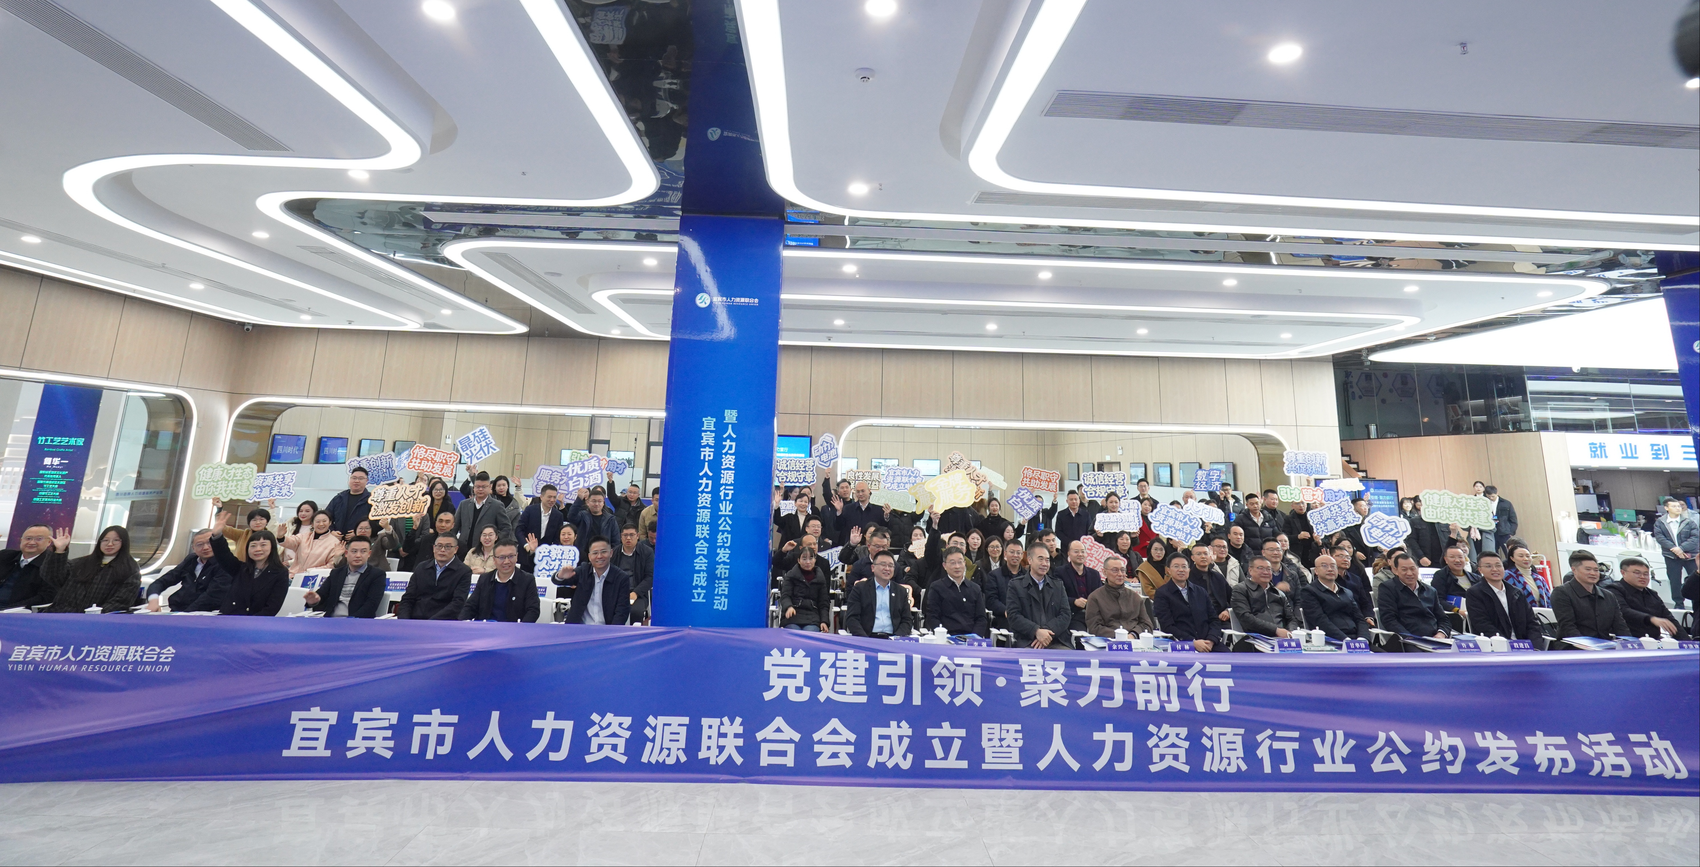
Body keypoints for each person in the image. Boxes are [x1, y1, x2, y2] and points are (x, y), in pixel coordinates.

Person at [37, 526, 140, 614]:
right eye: (105, 540)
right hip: (63, 614)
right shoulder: (80, 563)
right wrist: (59, 551)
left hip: (96, 620)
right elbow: (52, 577)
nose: (110, 544)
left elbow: (122, 601)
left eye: (116, 540)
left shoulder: (130, 569)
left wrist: (94, 614)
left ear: (124, 543)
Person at [207, 513, 290, 616]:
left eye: (263, 545)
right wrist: (217, 535)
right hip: (228, 618)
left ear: (272, 547)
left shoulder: (280, 572)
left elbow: (272, 608)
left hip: (256, 622)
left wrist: (248, 622)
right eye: (253, 546)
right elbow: (223, 555)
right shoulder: (240, 568)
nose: (258, 549)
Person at [1006, 540, 1073, 649]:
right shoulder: (1016, 585)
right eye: (1040, 559)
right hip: (1028, 641)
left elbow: (1065, 615)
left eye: (1047, 560)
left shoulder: (1058, 585)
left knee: (1068, 656)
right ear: (1030, 560)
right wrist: (1036, 631)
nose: (1044, 564)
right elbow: (1013, 615)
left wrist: (1046, 633)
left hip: (1056, 640)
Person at [1464, 551, 1542, 643]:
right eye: (1488, 566)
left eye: (1498, 565)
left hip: (1523, 644)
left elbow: (1532, 623)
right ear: (1480, 570)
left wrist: (1535, 646)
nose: (1495, 569)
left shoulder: (1517, 592)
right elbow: (1482, 624)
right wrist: (1506, 644)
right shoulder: (1474, 593)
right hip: (1496, 645)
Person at [1551, 551, 1630, 640]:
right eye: (1588, 569)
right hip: (1573, 645)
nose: (1593, 573)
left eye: (1596, 570)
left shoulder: (1609, 596)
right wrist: (1588, 646)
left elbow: (1620, 627)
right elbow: (1568, 627)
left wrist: (1629, 644)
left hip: (1604, 644)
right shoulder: (1562, 593)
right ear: (1574, 570)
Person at [144, 529, 230, 612]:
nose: (205, 547)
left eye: (210, 543)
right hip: (177, 610)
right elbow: (162, 581)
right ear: (193, 548)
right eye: (200, 544)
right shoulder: (191, 560)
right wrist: (153, 601)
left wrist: (184, 614)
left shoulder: (225, 564)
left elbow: (212, 597)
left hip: (205, 613)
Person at [1606, 556, 1690, 639]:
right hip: (1626, 640)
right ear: (1623, 572)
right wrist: (1650, 619)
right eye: (1637, 573)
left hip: (1653, 640)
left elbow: (1669, 618)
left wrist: (1688, 642)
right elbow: (1623, 610)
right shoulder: (1613, 590)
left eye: (1646, 574)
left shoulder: (1652, 594)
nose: (1642, 577)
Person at [303, 535, 386, 618]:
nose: (358, 555)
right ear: (346, 553)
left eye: (363, 551)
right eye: (354, 551)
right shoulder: (336, 573)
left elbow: (371, 605)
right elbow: (321, 594)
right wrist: (313, 601)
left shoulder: (377, 575)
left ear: (369, 554)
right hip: (331, 620)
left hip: (358, 621)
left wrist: (350, 620)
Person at [1154, 552, 1222, 652]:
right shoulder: (1162, 594)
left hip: (1209, 643)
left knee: (1230, 658)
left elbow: (1214, 620)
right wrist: (1192, 642)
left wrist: (1211, 640)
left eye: (1184, 566)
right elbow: (1167, 626)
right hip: (1182, 643)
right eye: (1176, 566)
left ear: (1189, 570)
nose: (1181, 570)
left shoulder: (1200, 591)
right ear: (1168, 570)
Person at [397, 532, 473, 620]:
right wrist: (404, 620)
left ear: (456, 549)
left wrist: (431, 622)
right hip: (416, 619)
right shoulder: (422, 567)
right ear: (434, 548)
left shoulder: (464, 571)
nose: (442, 550)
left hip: (443, 621)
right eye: (439, 546)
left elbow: (457, 603)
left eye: (448, 547)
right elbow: (408, 598)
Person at [460, 541, 539, 623]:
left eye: (511, 556)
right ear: (494, 560)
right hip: (485, 627)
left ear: (517, 557)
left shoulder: (527, 580)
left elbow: (533, 610)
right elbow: (470, 606)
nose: (507, 561)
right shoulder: (485, 579)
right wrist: (462, 624)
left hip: (514, 628)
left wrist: (521, 627)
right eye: (502, 557)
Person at [1376, 553, 1450, 639]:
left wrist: (1441, 634)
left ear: (1418, 569)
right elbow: (1389, 620)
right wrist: (1409, 638)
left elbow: (1443, 618)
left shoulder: (1430, 591)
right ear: (1395, 571)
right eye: (1404, 569)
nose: (1409, 573)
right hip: (1406, 639)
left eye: (1412, 568)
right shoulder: (1388, 588)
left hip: (1434, 638)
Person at [1300, 552, 1369, 641]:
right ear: (1316, 571)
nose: (1330, 569)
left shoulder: (1347, 592)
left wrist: (1363, 638)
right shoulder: (1309, 591)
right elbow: (1320, 621)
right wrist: (1346, 640)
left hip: (1356, 638)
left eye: (1333, 566)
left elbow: (1359, 619)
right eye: (1324, 566)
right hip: (1332, 639)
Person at [562, 537, 630, 626]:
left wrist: (612, 631)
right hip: (580, 628)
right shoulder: (583, 571)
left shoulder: (621, 578)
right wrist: (560, 576)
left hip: (607, 629)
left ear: (611, 553)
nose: (599, 556)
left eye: (603, 552)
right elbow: (559, 581)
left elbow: (622, 611)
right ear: (589, 556)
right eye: (595, 553)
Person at [845, 550, 913, 638]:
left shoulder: (901, 591)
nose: (887, 569)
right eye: (883, 565)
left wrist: (896, 638)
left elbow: (907, 620)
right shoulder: (860, 588)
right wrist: (864, 639)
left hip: (892, 638)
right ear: (873, 568)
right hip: (867, 637)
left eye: (891, 566)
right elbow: (852, 618)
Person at [1085, 553, 1154, 637]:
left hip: (1134, 639)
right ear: (1104, 572)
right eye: (1115, 570)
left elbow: (1147, 624)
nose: (1120, 574)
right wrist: (1120, 636)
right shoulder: (1095, 597)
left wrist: (1133, 634)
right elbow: (1094, 627)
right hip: (1108, 639)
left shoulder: (1135, 597)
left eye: (1123, 570)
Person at [1232, 556, 1300, 639]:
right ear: (1250, 570)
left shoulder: (1278, 593)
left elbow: (1291, 618)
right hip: (1255, 638)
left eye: (1269, 569)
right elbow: (1245, 618)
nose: (1265, 572)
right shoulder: (1240, 589)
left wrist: (1291, 631)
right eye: (1260, 568)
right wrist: (1275, 630)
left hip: (1283, 638)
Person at [925, 548, 988, 637]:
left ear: (964, 564)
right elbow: (932, 617)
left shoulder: (975, 588)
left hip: (970, 638)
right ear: (944, 566)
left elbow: (981, 619)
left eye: (960, 562)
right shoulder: (936, 587)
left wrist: (974, 638)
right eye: (952, 563)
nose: (957, 566)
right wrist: (943, 636)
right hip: (946, 637)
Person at [0, 523, 57, 610]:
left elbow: (46, 597)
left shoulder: (52, 566)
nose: (31, 542)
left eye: (39, 539)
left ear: (49, 542)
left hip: (18, 611)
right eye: (28, 538)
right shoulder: (5, 555)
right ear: (21, 540)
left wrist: (11, 609)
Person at [1653, 497, 1698, 608]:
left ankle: (1696, 603)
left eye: (1679, 506)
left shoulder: (1689, 522)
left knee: (1695, 579)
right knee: (1674, 581)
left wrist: (1681, 548)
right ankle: (1679, 604)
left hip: (1690, 556)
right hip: (1671, 556)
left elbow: (1695, 538)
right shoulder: (1660, 522)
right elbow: (1660, 538)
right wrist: (1674, 548)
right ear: (1666, 508)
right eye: (1674, 506)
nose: (1678, 508)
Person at [456, 472, 515, 551]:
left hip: (485, 550)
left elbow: (506, 528)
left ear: (489, 487)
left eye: (484, 487)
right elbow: (454, 526)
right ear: (473, 487)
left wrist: (494, 540)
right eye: (477, 487)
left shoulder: (497, 506)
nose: (480, 489)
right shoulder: (464, 504)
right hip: (462, 549)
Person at [280, 510, 345, 579]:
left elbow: (331, 565)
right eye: (317, 521)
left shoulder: (335, 543)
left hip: (313, 579)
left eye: (324, 521)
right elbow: (291, 541)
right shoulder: (304, 536)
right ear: (312, 524)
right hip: (293, 575)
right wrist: (281, 537)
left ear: (330, 523)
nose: (321, 524)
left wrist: (310, 571)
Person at [780, 547, 830, 631]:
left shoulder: (820, 579)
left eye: (811, 558)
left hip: (813, 617)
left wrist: (824, 621)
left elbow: (823, 603)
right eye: (804, 559)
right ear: (798, 560)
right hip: (793, 616)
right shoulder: (791, 575)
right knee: (794, 634)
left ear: (815, 560)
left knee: (809, 634)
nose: (808, 562)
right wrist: (788, 607)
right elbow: (785, 596)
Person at [980, 535, 1024, 630]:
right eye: (1012, 552)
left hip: (1024, 620)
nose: (1015, 555)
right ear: (1005, 554)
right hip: (1002, 620)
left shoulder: (1027, 575)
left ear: (1022, 555)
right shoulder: (994, 575)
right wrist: (1007, 611)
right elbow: (991, 600)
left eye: (1018, 553)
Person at [1058, 538, 1102, 631]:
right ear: (1069, 553)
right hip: (1073, 615)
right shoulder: (1060, 572)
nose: (1080, 554)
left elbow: (1101, 596)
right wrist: (1074, 601)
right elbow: (1057, 597)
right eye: (1076, 551)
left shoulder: (1094, 574)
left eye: (1082, 551)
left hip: (1093, 615)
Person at [614, 524, 653, 624]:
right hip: (617, 592)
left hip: (638, 593)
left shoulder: (647, 552)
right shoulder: (614, 553)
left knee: (635, 612)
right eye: (625, 535)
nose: (628, 538)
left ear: (637, 536)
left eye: (631, 535)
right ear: (621, 537)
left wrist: (636, 593)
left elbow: (650, 577)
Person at [1333, 540, 1377, 624]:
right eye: (1341, 556)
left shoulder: (1356, 579)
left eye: (1348, 557)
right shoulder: (1327, 580)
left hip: (1359, 620)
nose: (1345, 559)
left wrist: (1368, 617)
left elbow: (1365, 601)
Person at [324, 467, 374, 540]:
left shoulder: (372, 499)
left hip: (361, 541)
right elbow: (326, 517)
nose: (356, 481)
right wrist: (331, 531)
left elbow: (377, 523)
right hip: (336, 540)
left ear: (367, 481)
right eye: (354, 478)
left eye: (360, 478)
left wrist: (359, 532)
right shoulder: (339, 498)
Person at [1501, 542, 1550, 609]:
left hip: (1542, 614)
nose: (1526, 559)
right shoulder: (1507, 575)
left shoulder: (1539, 578)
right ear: (1512, 558)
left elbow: (1549, 600)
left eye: (1528, 556)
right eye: (1521, 556)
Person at [1484, 485, 1517, 553]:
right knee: (1492, 553)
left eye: (1493, 496)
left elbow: (1513, 519)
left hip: (1505, 532)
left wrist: (1511, 532)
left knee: (1508, 552)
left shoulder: (1506, 503)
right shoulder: (1484, 504)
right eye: (1489, 496)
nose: (1491, 498)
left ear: (1497, 493)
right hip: (1491, 532)